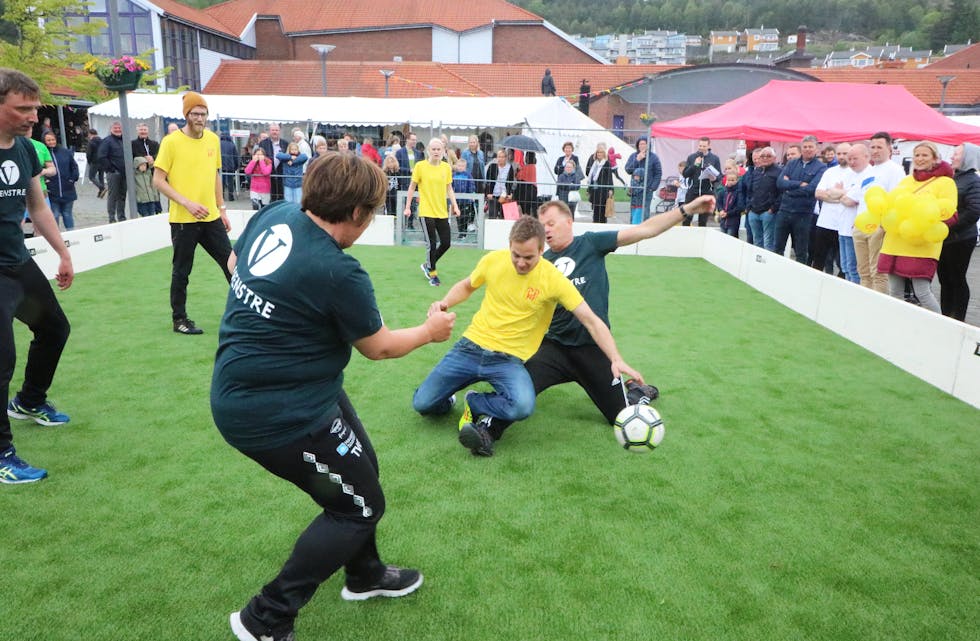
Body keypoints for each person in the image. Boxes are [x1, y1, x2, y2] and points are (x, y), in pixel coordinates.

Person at [211, 152, 456, 641]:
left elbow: (236, 264)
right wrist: (431, 331)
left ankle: (364, 574)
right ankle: (266, 617)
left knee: (364, 475)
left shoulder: (275, 213)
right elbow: (380, 347)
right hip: (275, 412)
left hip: (299, 390)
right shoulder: (338, 271)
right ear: (359, 214)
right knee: (358, 508)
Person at [481, 195, 717, 452]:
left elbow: (645, 230)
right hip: (554, 348)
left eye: (551, 223)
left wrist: (688, 209)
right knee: (520, 391)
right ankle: (486, 432)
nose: (545, 229)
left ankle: (637, 393)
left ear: (569, 221)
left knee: (620, 416)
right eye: (542, 224)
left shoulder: (591, 243)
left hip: (593, 349)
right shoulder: (540, 263)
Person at [412, 214, 646, 456]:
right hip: (469, 348)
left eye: (528, 257)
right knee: (422, 403)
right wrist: (444, 303)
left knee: (522, 406)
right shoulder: (493, 260)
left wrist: (616, 358)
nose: (521, 263)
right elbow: (466, 285)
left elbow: (591, 320)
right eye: (516, 255)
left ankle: (475, 401)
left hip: (508, 361)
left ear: (542, 250)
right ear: (510, 245)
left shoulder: (554, 279)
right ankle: (446, 401)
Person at [0, 68, 74, 484]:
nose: (32, 116)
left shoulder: (27, 149)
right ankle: (1, 454)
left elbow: (38, 206)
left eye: (34, 107)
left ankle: (29, 402)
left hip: (16, 262)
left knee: (55, 329)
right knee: (1, 360)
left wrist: (62, 252)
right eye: (21, 108)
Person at [152, 92, 232, 335]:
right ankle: (180, 319)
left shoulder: (212, 140)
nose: (200, 118)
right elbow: (158, 180)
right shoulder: (171, 142)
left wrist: (222, 209)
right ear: (186, 115)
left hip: (211, 218)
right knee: (182, 271)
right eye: (195, 113)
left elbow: (215, 174)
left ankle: (247, 314)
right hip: (183, 220)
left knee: (233, 265)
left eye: (203, 113)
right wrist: (187, 203)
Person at [877, 142, 956, 313]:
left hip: (922, 245)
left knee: (922, 292)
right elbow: (893, 205)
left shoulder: (945, 183)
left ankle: (941, 328)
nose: (920, 159)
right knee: (895, 291)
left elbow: (949, 214)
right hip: (895, 242)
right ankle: (899, 324)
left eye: (925, 155)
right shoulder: (906, 180)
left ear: (935, 158)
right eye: (917, 155)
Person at [854, 131, 906, 293]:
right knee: (863, 272)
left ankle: (879, 307)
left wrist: (883, 226)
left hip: (878, 227)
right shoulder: (869, 171)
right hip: (861, 226)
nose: (875, 150)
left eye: (879, 147)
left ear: (889, 148)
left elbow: (897, 200)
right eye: (872, 147)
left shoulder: (895, 170)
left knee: (878, 272)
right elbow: (859, 198)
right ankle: (865, 302)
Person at [404, 138, 460, 286]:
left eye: (438, 149)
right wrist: (407, 206)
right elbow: (412, 187)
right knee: (432, 243)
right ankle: (433, 274)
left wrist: (455, 205)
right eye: (433, 149)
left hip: (441, 212)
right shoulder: (420, 166)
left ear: (443, 151)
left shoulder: (446, 167)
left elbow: (449, 188)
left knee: (446, 243)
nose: (436, 152)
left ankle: (428, 264)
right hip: (426, 211)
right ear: (428, 150)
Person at [939, 143, 980, 321]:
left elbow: (973, 210)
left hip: (961, 239)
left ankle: (958, 319)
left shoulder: (973, 181)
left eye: (957, 154)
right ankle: (946, 316)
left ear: (967, 158)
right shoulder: (951, 178)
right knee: (944, 279)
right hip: (944, 237)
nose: (952, 157)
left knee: (957, 278)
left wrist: (949, 225)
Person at [774, 135, 826, 263]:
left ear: (816, 149)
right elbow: (780, 183)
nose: (808, 149)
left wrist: (789, 187)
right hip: (784, 211)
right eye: (805, 146)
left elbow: (811, 189)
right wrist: (799, 184)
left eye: (810, 147)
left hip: (803, 214)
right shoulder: (791, 163)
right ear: (801, 148)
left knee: (801, 251)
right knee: (777, 248)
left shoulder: (821, 167)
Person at [812, 142, 852, 275]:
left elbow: (853, 199)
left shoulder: (856, 173)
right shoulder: (830, 171)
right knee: (818, 259)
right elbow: (818, 193)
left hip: (844, 225)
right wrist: (841, 196)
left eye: (845, 153)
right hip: (824, 222)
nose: (841, 156)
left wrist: (831, 193)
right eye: (839, 153)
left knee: (843, 263)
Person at [839, 144, 876, 284]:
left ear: (866, 157)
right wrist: (843, 195)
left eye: (855, 158)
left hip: (856, 227)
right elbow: (830, 193)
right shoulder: (848, 173)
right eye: (849, 159)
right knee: (845, 267)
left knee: (854, 268)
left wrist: (841, 194)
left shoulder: (869, 174)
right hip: (842, 225)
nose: (851, 162)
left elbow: (850, 201)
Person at [745, 147, 781, 249]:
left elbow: (781, 193)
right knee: (757, 241)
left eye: (768, 156)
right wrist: (749, 207)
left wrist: (773, 209)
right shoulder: (756, 171)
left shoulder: (779, 172)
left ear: (774, 158)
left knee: (768, 242)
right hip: (753, 211)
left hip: (768, 213)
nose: (765, 158)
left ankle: (767, 264)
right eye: (762, 156)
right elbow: (750, 190)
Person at [681, 137, 722, 227]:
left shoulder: (714, 158)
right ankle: (684, 238)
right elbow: (685, 174)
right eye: (700, 146)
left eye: (704, 146)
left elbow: (719, 176)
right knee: (687, 218)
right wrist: (695, 165)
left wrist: (714, 179)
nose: (701, 148)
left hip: (706, 192)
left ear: (708, 146)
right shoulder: (692, 157)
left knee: (703, 221)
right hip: (693, 192)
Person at [43, 131, 78, 230]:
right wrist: (46, 180)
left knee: (67, 213)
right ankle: (56, 235)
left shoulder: (65, 152)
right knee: (55, 214)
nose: (51, 142)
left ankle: (71, 234)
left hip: (68, 189)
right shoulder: (44, 153)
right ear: (44, 141)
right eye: (48, 140)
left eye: (53, 139)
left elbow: (74, 166)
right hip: (52, 190)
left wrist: (72, 179)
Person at [624, 137, 662, 219]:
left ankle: (644, 230)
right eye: (640, 144)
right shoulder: (633, 156)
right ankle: (633, 229)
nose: (642, 146)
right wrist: (637, 160)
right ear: (637, 145)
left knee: (644, 212)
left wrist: (652, 187)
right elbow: (628, 170)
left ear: (648, 145)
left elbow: (658, 173)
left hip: (647, 190)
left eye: (644, 144)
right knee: (634, 212)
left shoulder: (654, 157)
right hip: (635, 190)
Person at [98, 121, 127, 222]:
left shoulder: (125, 140)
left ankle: (121, 216)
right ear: (111, 129)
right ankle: (111, 217)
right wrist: (111, 169)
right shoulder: (107, 141)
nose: (118, 130)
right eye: (115, 128)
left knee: (122, 195)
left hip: (124, 173)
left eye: (119, 128)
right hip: (113, 173)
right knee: (113, 195)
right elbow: (101, 156)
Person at [716, 159, 747, 238]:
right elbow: (718, 202)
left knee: (731, 238)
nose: (730, 182)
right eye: (729, 180)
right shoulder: (723, 191)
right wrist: (721, 210)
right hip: (723, 221)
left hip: (733, 221)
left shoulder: (738, 191)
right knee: (722, 238)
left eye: (733, 180)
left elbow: (740, 207)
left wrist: (728, 213)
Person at [258, 123, 288, 202]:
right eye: (273, 130)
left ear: (279, 131)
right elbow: (261, 157)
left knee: (282, 196)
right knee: (270, 197)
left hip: (282, 174)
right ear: (269, 131)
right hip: (268, 174)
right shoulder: (263, 143)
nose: (275, 132)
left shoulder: (285, 143)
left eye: (276, 130)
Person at [484, 148, 516, 220]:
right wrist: (488, 193)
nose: (500, 159)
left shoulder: (509, 167)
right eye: (499, 157)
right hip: (494, 194)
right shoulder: (492, 166)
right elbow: (488, 181)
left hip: (504, 195)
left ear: (506, 158)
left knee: (504, 217)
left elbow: (511, 182)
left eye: (502, 157)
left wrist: (510, 193)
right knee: (492, 216)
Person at [585, 144, 613, 223]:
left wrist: (611, 189)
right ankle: (595, 224)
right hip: (595, 190)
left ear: (604, 154)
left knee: (603, 210)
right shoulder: (594, 164)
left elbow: (609, 177)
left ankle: (602, 225)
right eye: (598, 153)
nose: (599, 154)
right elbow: (591, 177)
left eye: (601, 153)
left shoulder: (607, 163)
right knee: (595, 210)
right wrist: (588, 189)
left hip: (603, 191)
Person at [451, 158, 476, 239]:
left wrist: (471, 194)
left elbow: (471, 185)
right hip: (457, 200)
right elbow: (451, 185)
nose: (460, 167)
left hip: (466, 200)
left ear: (465, 167)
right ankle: (460, 232)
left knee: (465, 216)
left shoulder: (468, 175)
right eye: (459, 166)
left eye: (462, 166)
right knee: (458, 217)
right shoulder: (454, 175)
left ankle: (464, 233)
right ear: (456, 166)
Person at [219, 131, 240, 202]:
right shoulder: (232, 144)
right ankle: (231, 197)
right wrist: (236, 166)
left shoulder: (218, 143)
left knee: (221, 182)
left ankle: (221, 197)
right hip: (230, 166)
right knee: (230, 182)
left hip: (220, 166)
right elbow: (236, 156)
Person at [85, 128, 105, 197]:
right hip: (102, 161)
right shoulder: (102, 141)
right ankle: (101, 192)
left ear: (90, 134)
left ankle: (101, 187)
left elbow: (88, 153)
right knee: (101, 176)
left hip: (94, 161)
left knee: (91, 177)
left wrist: (89, 161)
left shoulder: (91, 142)